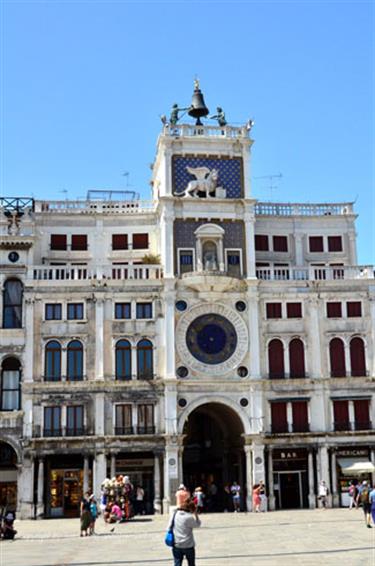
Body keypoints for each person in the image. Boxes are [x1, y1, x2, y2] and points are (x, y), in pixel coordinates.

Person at [168, 498, 201, 566]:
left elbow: (169, 526)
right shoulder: (189, 517)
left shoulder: (175, 514)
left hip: (177, 544)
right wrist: (196, 515)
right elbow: (198, 524)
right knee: (191, 564)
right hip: (188, 545)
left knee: (177, 564)